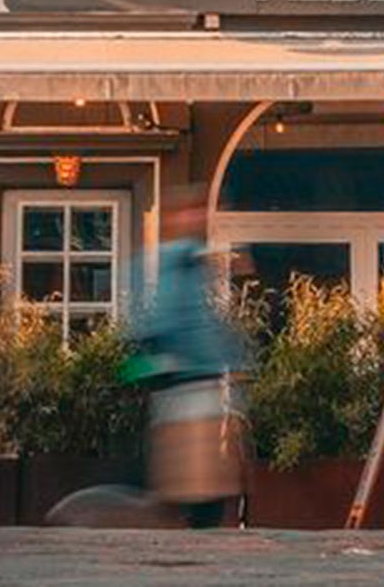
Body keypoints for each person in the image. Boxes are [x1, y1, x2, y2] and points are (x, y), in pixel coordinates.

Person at [128, 185, 246, 528]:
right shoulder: (180, 258)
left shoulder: (176, 259)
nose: (201, 218)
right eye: (193, 211)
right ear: (176, 218)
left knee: (194, 483)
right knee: (201, 485)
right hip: (192, 383)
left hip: (187, 381)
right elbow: (173, 317)